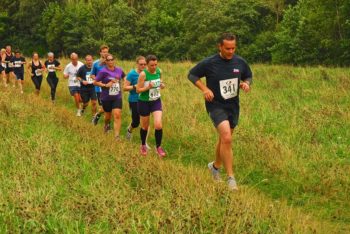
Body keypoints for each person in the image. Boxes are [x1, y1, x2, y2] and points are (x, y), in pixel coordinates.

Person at [187, 33, 252, 191]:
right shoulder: (210, 63)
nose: (231, 51)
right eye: (227, 48)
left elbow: (248, 75)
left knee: (225, 140)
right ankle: (231, 178)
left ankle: (215, 166)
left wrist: (246, 84)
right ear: (220, 47)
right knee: (227, 138)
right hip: (215, 105)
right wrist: (204, 89)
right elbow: (192, 74)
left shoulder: (240, 62)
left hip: (233, 106)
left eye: (233, 48)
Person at [136, 55, 166, 157]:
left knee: (158, 124)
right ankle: (143, 145)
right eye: (151, 65)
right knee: (144, 126)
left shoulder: (159, 71)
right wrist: (147, 87)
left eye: (155, 65)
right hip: (144, 102)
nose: (154, 67)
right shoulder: (143, 75)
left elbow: (161, 82)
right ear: (147, 65)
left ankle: (158, 147)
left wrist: (162, 85)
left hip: (156, 101)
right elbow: (138, 90)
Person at [93, 54, 125, 140]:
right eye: (108, 60)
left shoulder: (119, 70)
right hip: (106, 97)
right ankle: (106, 125)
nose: (110, 61)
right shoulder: (103, 71)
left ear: (114, 60)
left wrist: (125, 84)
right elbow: (95, 82)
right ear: (106, 61)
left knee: (117, 115)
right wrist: (105, 85)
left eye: (112, 59)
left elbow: (124, 77)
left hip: (117, 97)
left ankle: (117, 136)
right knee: (107, 117)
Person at [91, 45, 109, 125]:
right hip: (100, 88)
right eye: (104, 52)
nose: (105, 53)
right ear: (100, 52)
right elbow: (92, 75)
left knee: (109, 107)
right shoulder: (96, 63)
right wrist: (98, 80)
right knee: (105, 107)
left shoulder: (110, 62)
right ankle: (98, 116)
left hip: (109, 87)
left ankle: (105, 123)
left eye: (106, 52)